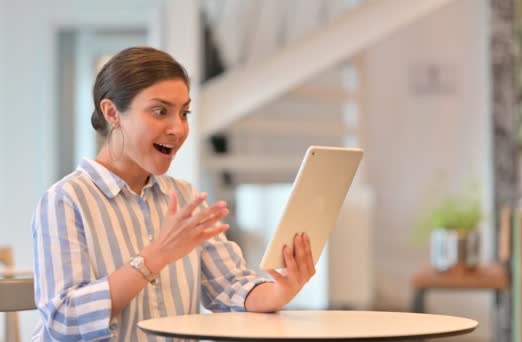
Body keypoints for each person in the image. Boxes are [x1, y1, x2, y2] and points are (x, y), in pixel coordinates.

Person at [31, 46, 316, 341]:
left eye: (184, 113)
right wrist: (154, 257)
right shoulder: (65, 201)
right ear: (112, 112)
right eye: (160, 111)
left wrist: (281, 290)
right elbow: (63, 321)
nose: (178, 128)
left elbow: (230, 287)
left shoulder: (182, 196)